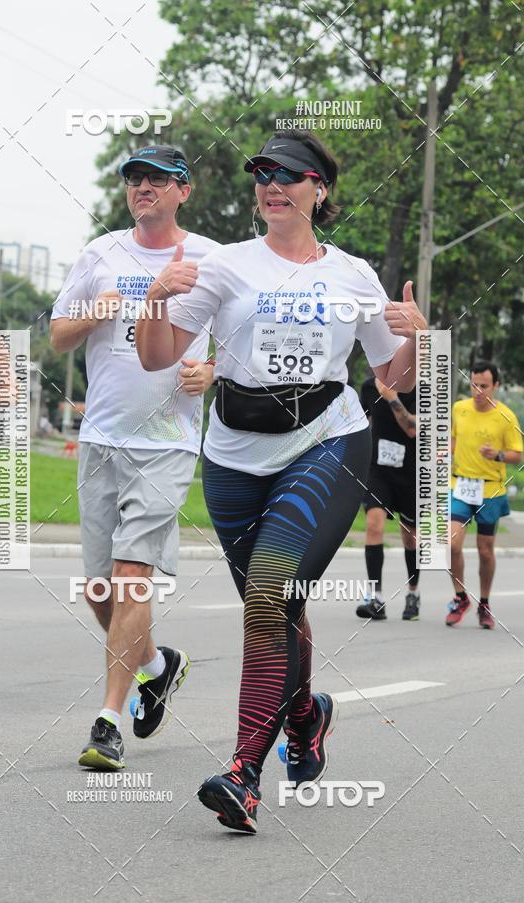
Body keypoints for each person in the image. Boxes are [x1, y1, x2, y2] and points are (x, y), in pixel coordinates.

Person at [136, 129, 427, 833]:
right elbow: (156, 357)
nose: (272, 183)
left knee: (267, 596)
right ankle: (306, 712)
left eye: (289, 173)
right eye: (262, 170)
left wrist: (419, 334)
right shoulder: (223, 266)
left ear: (318, 189)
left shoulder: (354, 274)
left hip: (326, 443)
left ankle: (243, 773)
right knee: (278, 608)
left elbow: (395, 378)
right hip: (234, 455)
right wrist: (153, 297)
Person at [50, 145, 219, 769]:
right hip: (101, 436)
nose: (142, 188)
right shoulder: (100, 253)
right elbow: (59, 332)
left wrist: (214, 366)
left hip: (168, 441)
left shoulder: (207, 258)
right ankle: (157, 664)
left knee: (129, 580)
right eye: (134, 180)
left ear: (183, 190)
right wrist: (94, 310)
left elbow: (240, 331)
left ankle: (107, 722)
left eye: (156, 179)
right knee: (99, 587)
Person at [447, 360, 522, 629]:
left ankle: (485, 603)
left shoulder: (506, 417)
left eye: (484, 386)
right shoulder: (459, 408)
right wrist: (447, 450)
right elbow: (454, 438)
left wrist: (498, 454)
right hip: (460, 486)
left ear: (496, 386)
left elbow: (518, 454)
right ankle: (460, 597)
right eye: (474, 384)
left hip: (490, 489)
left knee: (485, 550)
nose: (478, 390)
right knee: (453, 543)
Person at [356, 375, 420, 621]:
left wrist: (392, 398)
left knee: (410, 537)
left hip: (411, 471)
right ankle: (376, 597)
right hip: (378, 470)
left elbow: (412, 428)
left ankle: (413, 593)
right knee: (374, 524)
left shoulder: (421, 387)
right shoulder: (369, 386)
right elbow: (361, 421)